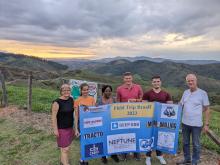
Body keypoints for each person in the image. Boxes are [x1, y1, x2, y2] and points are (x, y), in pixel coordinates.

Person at [176, 74, 210, 165]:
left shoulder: (203, 93)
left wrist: (206, 124)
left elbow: (207, 109)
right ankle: (187, 159)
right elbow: (180, 104)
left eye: (192, 80)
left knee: (196, 144)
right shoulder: (185, 92)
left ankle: (195, 160)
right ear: (186, 82)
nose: (190, 82)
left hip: (196, 124)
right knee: (185, 143)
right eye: (188, 81)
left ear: (196, 81)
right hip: (185, 123)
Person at [142, 75, 173, 165]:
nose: (156, 83)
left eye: (158, 81)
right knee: (149, 137)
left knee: (160, 137)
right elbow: (144, 107)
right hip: (150, 120)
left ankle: (160, 155)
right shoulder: (147, 93)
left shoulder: (166, 94)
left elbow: (170, 107)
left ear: (161, 82)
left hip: (161, 121)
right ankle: (148, 157)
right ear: (152, 83)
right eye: (154, 81)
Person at [116, 72, 143, 161]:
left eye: (129, 78)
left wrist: (136, 100)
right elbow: (117, 103)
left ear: (132, 78)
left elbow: (142, 99)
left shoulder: (138, 87)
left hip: (136, 115)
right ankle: (124, 154)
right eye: (126, 78)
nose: (128, 80)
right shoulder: (119, 89)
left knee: (137, 134)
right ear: (124, 79)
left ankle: (136, 153)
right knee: (124, 134)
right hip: (124, 116)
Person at [51, 84, 74, 165]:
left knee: (64, 148)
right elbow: (53, 117)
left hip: (70, 127)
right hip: (61, 129)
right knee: (65, 149)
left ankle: (62, 162)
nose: (66, 91)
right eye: (64, 90)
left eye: (68, 90)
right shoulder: (57, 102)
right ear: (61, 91)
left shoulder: (71, 99)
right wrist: (55, 129)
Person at [96, 85, 120, 164]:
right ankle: (103, 156)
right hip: (102, 123)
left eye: (109, 91)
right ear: (103, 92)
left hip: (112, 123)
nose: (108, 92)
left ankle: (113, 154)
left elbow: (117, 110)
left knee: (113, 139)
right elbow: (96, 112)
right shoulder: (99, 100)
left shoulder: (113, 99)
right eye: (106, 91)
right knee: (103, 140)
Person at [74, 83, 96, 165]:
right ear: (81, 90)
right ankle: (82, 159)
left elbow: (94, 113)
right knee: (83, 142)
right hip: (81, 124)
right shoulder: (77, 100)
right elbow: (76, 116)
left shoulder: (92, 99)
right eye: (84, 90)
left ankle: (85, 159)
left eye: (87, 89)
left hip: (90, 124)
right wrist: (76, 128)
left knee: (89, 142)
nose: (85, 91)